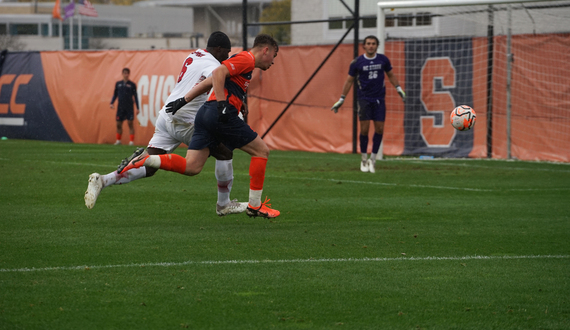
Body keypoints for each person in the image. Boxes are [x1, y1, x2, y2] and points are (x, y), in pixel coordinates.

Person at [86, 31, 248, 217]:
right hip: (184, 120)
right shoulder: (212, 63)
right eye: (225, 52)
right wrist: (235, 98)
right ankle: (224, 204)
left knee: (149, 168)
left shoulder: (194, 55)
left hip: (167, 116)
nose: (226, 57)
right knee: (224, 152)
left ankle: (103, 180)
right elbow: (217, 78)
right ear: (218, 49)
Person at [119, 34, 280, 219]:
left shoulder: (243, 62)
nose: (273, 61)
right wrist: (221, 104)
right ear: (265, 50)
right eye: (274, 55)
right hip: (218, 114)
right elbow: (218, 73)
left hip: (203, 114)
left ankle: (147, 159)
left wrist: (183, 100)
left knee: (192, 166)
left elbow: (209, 81)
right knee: (261, 151)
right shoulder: (247, 59)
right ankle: (254, 206)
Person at [331, 35, 405, 173]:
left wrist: (399, 89)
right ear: (364, 46)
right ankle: (364, 159)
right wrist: (342, 99)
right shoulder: (357, 62)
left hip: (379, 99)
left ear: (377, 45)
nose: (371, 46)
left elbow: (390, 75)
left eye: (373, 43)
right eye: (368, 43)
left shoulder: (383, 59)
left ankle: (373, 159)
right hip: (364, 99)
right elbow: (349, 81)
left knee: (379, 129)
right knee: (364, 130)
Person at [110, 67, 140, 146]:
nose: (126, 75)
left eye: (127, 73)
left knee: (130, 123)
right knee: (118, 124)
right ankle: (118, 140)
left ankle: (131, 141)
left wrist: (137, 107)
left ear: (129, 74)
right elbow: (115, 94)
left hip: (129, 106)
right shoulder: (118, 84)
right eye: (125, 73)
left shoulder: (132, 85)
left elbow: (135, 96)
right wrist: (112, 102)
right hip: (120, 107)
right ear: (122, 74)